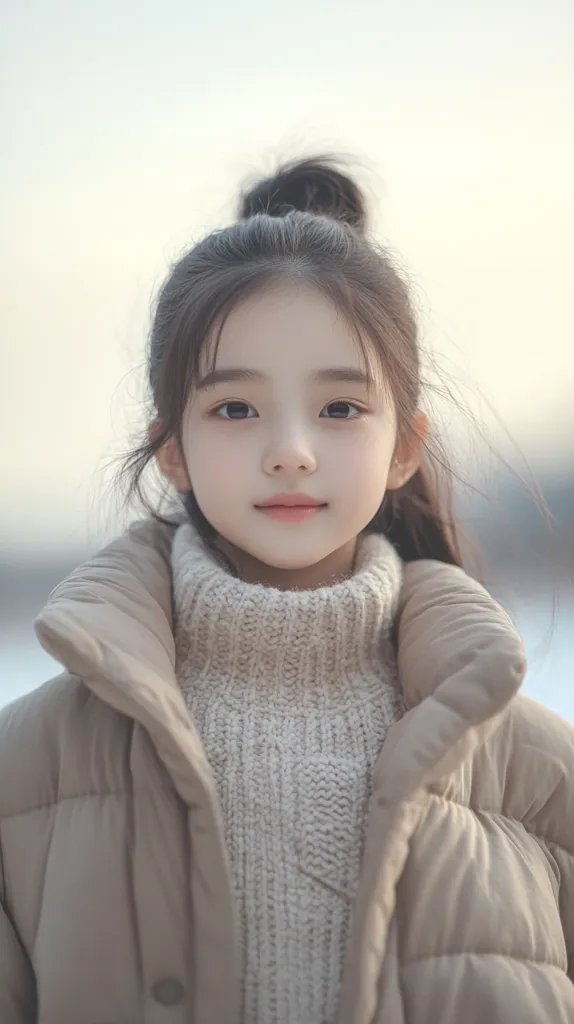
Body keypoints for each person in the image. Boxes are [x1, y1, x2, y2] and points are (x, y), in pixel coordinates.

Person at [1, 157, 573, 1024]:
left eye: (341, 409)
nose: (292, 450)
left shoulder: (541, 779)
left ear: (406, 447)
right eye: (236, 409)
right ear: (174, 450)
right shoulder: (27, 767)